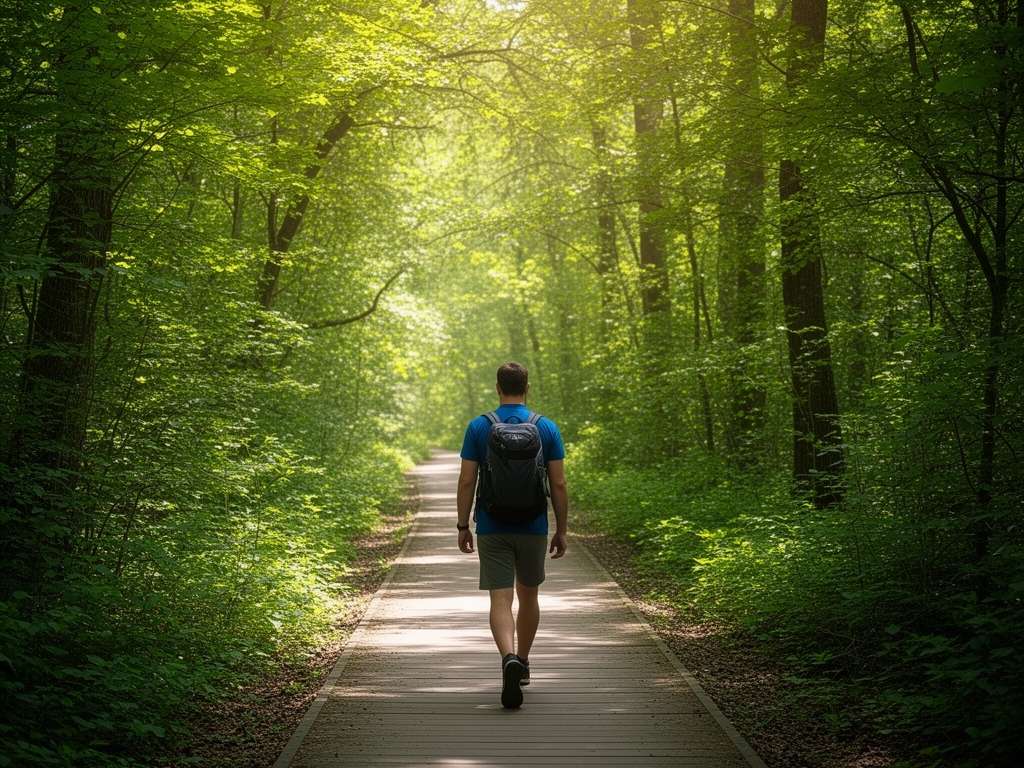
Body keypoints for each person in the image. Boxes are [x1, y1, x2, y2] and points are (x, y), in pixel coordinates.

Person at [456, 361, 568, 709]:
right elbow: (559, 483)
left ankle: (507, 658)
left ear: (497, 388)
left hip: (492, 525)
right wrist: (561, 530)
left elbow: (466, 481)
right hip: (533, 525)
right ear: (528, 387)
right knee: (529, 596)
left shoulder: (479, 426)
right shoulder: (545, 427)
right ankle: (523, 660)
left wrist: (463, 525)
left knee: (500, 599)